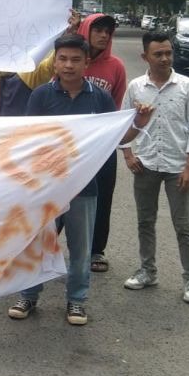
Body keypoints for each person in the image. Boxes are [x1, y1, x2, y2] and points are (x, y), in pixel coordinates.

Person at [6, 34, 150, 325]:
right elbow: (30, 141)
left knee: (81, 249)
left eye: (75, 59)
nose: (68, 65)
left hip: (84, 187)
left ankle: (77, 301)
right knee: (38, 244)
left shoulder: (99, 98)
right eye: (63, 59)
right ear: (55, 62)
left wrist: (137, 125)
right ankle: (29, 296)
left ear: (86, 63)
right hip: (46, 189)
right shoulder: (41, 97)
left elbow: (117, 137)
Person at [122, 32, 189, 304]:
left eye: (169, 52)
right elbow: (123, 123)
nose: (165, 58)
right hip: (145, 164)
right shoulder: (136, 87)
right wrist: (128, 155)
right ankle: (148, 270)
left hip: (176, 165)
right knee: (145, 221)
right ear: (145, 57)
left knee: (184, 225)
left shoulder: (187, 86)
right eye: (158, 54)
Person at [76, 14, 127, 273]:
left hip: (103, 144)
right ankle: (47, 244)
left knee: (102, 196)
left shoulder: (116, 66)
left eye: (108, 31)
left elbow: (116, 105)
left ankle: (97, 249)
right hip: (72, 144)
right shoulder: (71, 59)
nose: (104, 35)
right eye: (98, 29)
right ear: (86, 29)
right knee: (62, 195)